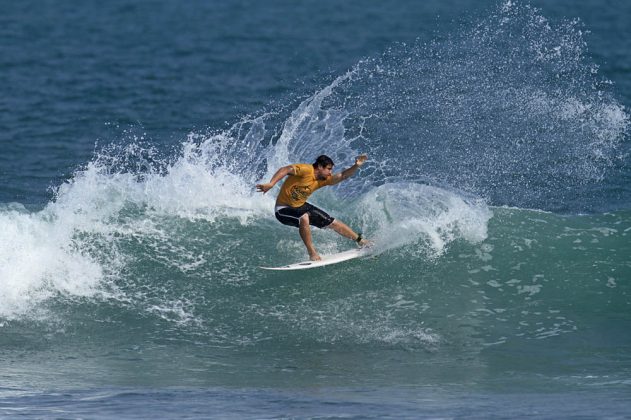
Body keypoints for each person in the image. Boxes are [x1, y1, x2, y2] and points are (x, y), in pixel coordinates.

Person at [256, 154, 370, 261]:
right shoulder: (306, 170)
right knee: (304, 217)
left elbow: (343, 175)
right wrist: (271, 184)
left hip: (300, 206)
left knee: (332, 222)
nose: (330, 173)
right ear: (320, 166)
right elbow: (285, 169)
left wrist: (356, 166)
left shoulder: (322, 180)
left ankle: (361, 241)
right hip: (283, 209)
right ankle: (312, 253)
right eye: (329, 169)